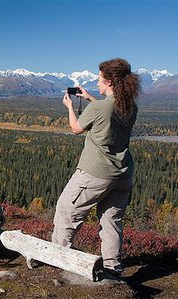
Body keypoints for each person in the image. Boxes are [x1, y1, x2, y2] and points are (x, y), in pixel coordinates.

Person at [51, 58, 141, 281]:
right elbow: (108, 112)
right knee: (111, 222)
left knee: (66, 211)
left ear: (109, 81)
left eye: (99, 79)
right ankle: (113, 268)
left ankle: (57, 258)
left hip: (95, 174)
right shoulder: (130, 106)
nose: (97, 83)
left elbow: (76, 128)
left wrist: (70, 106)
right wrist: (91, 98)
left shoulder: (99, 107)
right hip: (123, 175)